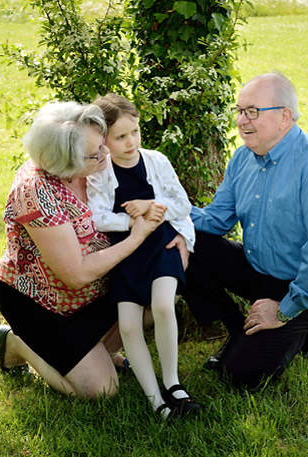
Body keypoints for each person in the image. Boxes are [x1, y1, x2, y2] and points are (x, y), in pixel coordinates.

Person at [179, 72, 308, 390]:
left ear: (285, 116)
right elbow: (216, 220)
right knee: (186, 242)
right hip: (257, 269)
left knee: (240, 376)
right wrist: (169, 212)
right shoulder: (243, 158)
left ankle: (302, 325)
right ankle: (237, 330)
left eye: (253, 111)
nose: (242, 121)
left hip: (305, 285)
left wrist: (283, 311)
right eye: (240, 111)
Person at [0, 100, 163, 399]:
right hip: (46, 305)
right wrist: (136, 239)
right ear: (65, 162)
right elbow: (76, 274)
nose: (106, 153)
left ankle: (95, 352)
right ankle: (17, 343)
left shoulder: (95, 166)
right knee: (102, 390)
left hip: (98, 292)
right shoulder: (36, 192)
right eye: (95, 152)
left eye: (102, 143)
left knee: (156, 297)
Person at [86, 94, 199, 419]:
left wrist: (150, 208)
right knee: (130, 326)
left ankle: (173, 383)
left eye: (134, 132)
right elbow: (98, 217)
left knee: (164, 305)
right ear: (103, 139)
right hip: (125, 253)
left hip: (161, 244)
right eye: (120, 136)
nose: (131, 141)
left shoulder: (156, 161)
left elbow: (182, 204)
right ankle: (155, 399)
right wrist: (132, 220)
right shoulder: (100, 172)